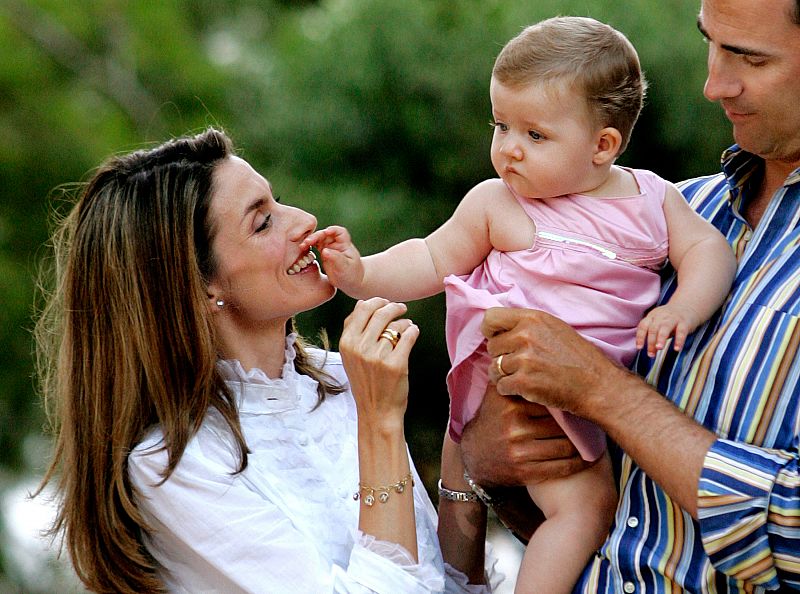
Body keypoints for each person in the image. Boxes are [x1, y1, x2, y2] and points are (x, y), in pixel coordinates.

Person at [303, 17, 736, 594]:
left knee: (545, 495)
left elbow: (709, 251)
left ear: (603, 145)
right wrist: (362, 274)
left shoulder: (653, 198)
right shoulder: (498, 203)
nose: (508, 148)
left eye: (534, 135)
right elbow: (431, 257)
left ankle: (462, 572)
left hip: (591, 388)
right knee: (585, 510)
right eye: (500, 125)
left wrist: (683, 307)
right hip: (519, 379)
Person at [33, 128, 501, 593]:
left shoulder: (342, 378)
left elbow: (449, 587)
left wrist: (465, 430)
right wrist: (380, 424)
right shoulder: (174, 465)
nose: (305, 221)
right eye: (262, 222)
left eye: (278, 202)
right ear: (199, 286)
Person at [459, 0, 800, 592]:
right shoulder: (664, 213)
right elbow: (591, 508)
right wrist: (494, 463)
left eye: (750, 58)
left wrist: (603, 392)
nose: (713, 86)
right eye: (711, 44)